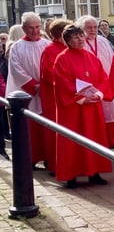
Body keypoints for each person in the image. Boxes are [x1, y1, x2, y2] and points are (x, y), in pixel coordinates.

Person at [52, 24, 112, 188]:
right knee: (73, 140)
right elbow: (62, 84)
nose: (80, 39)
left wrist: (99, 94)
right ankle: (71, 176)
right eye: (75, 37)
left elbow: (103, 78)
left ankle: (95, 173)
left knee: (94, 138)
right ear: (67, 41)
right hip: (74, 109)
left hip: (92, 106)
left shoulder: (91, 57)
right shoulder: (62, 59)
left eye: (81, 36)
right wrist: (82, 98)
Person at [6, 12, 52, 168]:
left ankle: (48, 157)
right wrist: (34, 85)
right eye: (31, 28)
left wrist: (45, 84)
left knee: (46, 126)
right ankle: (30, 158)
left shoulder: (46, 44)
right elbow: (16, 70)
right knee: (29, 127)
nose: (35, 31)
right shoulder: (17, 47)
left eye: (37, 27)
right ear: (24, 28)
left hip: (45, 92)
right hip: (27, 93)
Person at [80, 15, 114, 148]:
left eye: (95, 27)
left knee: (109, 111)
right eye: (89, 27)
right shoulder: (80, 43)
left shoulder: (103, 41)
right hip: (89, 85)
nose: (93, 30)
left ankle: (111, 141)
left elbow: (112, 60)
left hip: (105, 82)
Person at [39, 18, 72, 174]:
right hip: (55, 97)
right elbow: (48, 73)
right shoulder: (50, 50)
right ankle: (55, 164)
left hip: (72, 95)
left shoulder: (71, 50)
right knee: (56, 131)